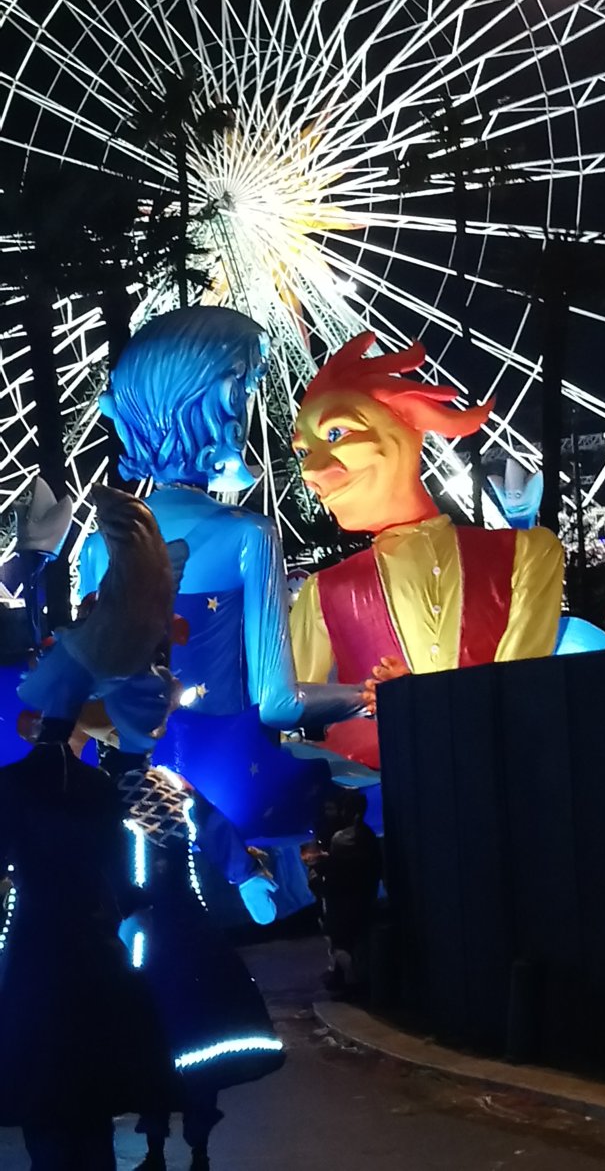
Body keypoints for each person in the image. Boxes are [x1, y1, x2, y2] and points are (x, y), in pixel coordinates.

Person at [82, 307, 367, 849]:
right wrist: (366, 695)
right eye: (244, 389)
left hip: (131, 796)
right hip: (236, 786)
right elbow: (278, 702)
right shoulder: (248, 535)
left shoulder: (98, 548)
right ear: (215, 403)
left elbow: (90, 696)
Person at [290, 332, 565, 768]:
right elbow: (287, 708)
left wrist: (419, 696)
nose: (311, 469)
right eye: (304, 451)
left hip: (493, 775)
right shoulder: (321, 593)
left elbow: (520, 684)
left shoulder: (527, 556)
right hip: (374, 789)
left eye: (336, 433)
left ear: (404, 423)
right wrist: (360, 700)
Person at [90, 736, 284, 1171]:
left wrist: (246, 874)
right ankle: (168, 1148)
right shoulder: (110, 794)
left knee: (179, 1039)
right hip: (152, 934)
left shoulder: (160, 788)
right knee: (160, 1041)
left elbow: (212, 826)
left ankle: (190, 1150)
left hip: (169, 935)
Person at [0, 714, 174, 1171]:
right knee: (93, 1087)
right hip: (92, 943)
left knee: (42, 1086)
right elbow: (121, 877)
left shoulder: (11, 783)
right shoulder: (96, 786)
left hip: (35, 945)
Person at [306, 787, 382, 998]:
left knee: (342, 944)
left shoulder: (343, 838)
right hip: (360, 897)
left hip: (343, 902)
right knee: (350, 943)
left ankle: (353, 984)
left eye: (335, 809)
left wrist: (316, 869)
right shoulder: (367, 835)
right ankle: (348, 980)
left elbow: (335, 872)